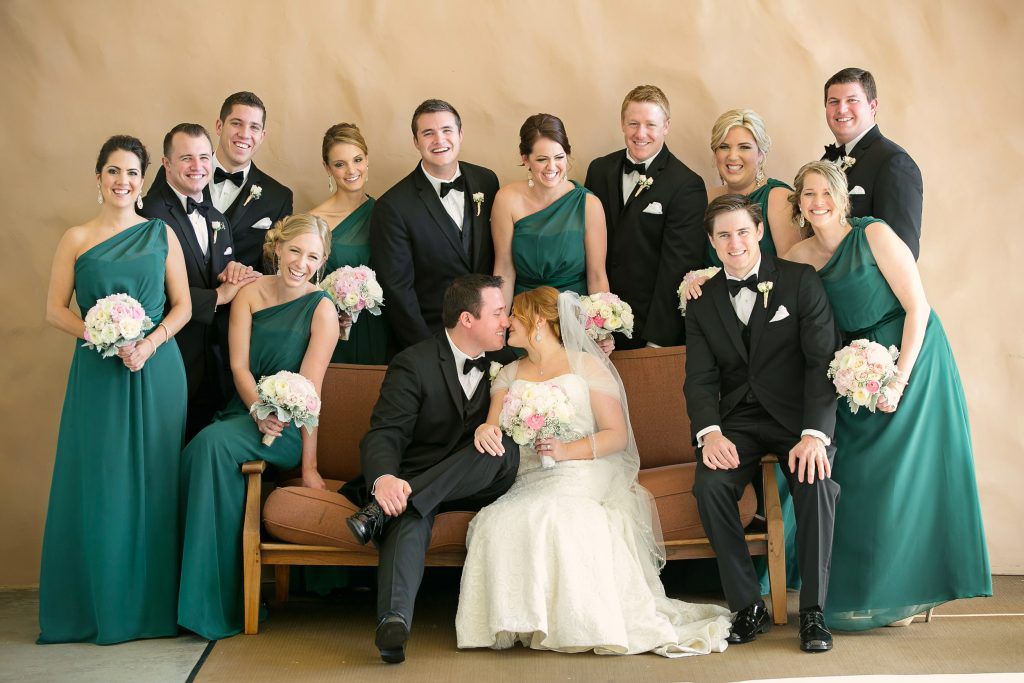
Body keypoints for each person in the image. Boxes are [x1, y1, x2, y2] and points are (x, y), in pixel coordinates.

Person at [455, 287, 732, 657]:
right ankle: (519, 621)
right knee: (494, 520)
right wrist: (484, 429)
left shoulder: (587, 365)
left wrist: (567, 450)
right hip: (530, 473)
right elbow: (493, 429)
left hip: (585, 467)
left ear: (538, 319)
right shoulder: (507, 373)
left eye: (513, 316)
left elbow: (616, 435)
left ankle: (576, 623)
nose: (505, 324)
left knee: (559, 515)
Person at [784, 161, 990, 630]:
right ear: (798, 204)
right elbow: (762, 285)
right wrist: (701, 278)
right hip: (852, 368)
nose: (817, 202)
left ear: (842, 197)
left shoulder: (873, 234)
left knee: (906, 478)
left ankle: (910, 596)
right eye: (807, 195)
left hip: (913, 357)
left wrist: (898, 378)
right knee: (859, 478)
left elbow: (918, 306)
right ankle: (869, 592)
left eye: (825, 192)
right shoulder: (797, 257)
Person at [39, 135, 191, 644]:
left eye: (131, 173)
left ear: (142, 181)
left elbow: (183, 307)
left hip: (157, 369)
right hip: (98, 373)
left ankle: (153, 611)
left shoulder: (160, 233)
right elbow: (56, 309)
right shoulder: (76, 237)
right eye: (112, 171)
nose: (122, 181)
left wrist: (147, 344)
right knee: (103, 485)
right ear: (98, 177)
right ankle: (101, 609)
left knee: (155, 483)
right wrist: (100, 332)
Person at [684, 194, 840, 653]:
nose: (735, 243)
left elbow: (820, 363)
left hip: (798, 417)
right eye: (724, 235)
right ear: (712, 243)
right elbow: (699, 377)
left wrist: (814, 434)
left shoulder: (800, 281)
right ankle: (746, 604)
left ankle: (813, 613)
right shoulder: (703, 300)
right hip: (738, 421)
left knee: (817, 485)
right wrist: (709, 432)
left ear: (759, 232)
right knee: (709, 486)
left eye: (743, 232)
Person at [340, 274, 520, 664]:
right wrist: (385, 479)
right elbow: (384, 433)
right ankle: (393, 623)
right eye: (499, 313)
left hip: (481, 478)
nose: (506, 321)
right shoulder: (414, 363)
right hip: (421, 482)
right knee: (407, 511)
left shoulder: (513, 360)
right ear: (467, 320)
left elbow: (565, 352)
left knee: (500, 448)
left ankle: (385, 509)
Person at [177, 214, 339, 640]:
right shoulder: (249, 293)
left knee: (210, 446)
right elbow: (238, 365)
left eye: (313, 257)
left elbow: (311, 390)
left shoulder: (322, 309)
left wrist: (309, 467)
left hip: (284, 432)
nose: (301, 263)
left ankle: (216, 602)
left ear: (321, 263)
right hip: (243, 413)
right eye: (295, 251)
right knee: (203, 449)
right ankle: (205, 596)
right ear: (277, 248)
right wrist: (254, 410)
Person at [142, 123, 260, 441]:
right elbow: (150, 295)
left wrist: (233, 271)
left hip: (213, 365)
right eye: (187, 158)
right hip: (168, 358)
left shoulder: (216, 217)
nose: (198, 167)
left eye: (205, 157)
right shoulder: (148, 217)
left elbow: (216, 272)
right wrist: (219, 295)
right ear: (166, 163)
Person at [371, 99, 500, 354]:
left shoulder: (487, 180)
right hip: (432, 340)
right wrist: (430, 353)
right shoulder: (393, 206)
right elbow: (398, 292)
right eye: (428, 133)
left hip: (491, 337)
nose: (439, 140)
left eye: (447, 130)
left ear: (461, 134)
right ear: (416, 142)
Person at [585, 85, 707, 348]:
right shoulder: (599, 170)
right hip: (596, 326)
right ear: (622, 124)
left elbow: (677, 268)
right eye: (633, 123)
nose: (640, 134)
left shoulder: (686, 185)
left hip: (647, 329)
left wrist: (656, 340)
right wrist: (593, 321)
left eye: (650, 124)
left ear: (666, 126)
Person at [149, 91, 294, 272]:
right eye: (236, 123)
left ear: (262, 136)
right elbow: (149, 230)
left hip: (243, 297)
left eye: (254, 127)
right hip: (174, 295)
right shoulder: (174, 172)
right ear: (219, 126)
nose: (244, 134)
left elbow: (272, 268)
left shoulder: (279, 197)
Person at [491, 113, 609, 302]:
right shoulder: (506, 200)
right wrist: (500, 327)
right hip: (525, 314)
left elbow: (597, 276)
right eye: (542, 159)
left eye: (559, 157)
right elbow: (504, 271)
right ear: (525, 159)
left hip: (575, 313)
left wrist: (601, 328)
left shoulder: (588, 204)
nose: (552, 167)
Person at [309, 122, 391, 364]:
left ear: (367, 161)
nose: (351, 170)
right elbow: (303, 285)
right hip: (335, 328)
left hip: (382, 326)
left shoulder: (386, 214)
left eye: (357, 160)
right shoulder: (315, 221)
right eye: (339, 164)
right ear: (327, 168)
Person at [821, 68, 923, 259]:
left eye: (852, 100)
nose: (841, 109)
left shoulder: (894, 162)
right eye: (833, 101)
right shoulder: (826, 161)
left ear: (873, 106)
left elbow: (903, 253)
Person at [707, 109, 801, 264]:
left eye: (744, 147)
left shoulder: (779, 199)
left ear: (760, 154)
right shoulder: (707, 198)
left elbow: (791, 274)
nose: (732, 156)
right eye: (724, 147)